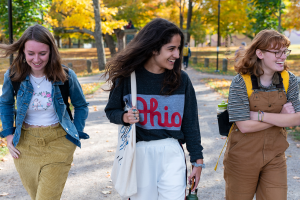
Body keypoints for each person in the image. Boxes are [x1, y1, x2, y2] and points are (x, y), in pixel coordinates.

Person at [104, 18, 204, 200]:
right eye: (171, 49)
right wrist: (125, 117)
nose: (177, 54)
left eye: (178, 48)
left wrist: (197, 161)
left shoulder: (182, 80)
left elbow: (191, 123)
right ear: (153, 48)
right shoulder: (128, 78)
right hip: (139, 154)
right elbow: (111, 111)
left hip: (172, 152)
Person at [0, 24, 89, 200]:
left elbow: (81, 105)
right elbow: (5, 104)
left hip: (58, 143)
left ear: (51, 51)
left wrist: (76, 133)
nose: (36, 59)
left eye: (43, 53)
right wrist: (8, 135)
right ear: (23, 52)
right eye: (31, 53)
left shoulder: (66, 75)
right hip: (25, 146)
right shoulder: (13, 75)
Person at [225, 29, 300, 200]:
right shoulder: (240, 81)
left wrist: (259, 115)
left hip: (275, 156)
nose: (283, 56)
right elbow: (244, 126)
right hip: (242, 158)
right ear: (259, 53)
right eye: (276, 52)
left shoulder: (290, 80)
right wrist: (281, 117)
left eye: (284, 52)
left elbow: (296, 119)